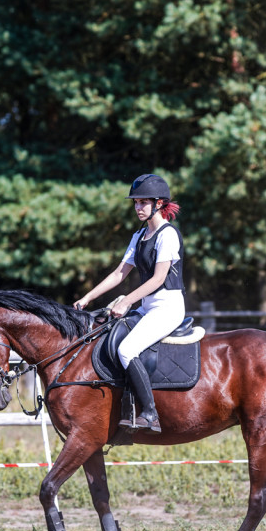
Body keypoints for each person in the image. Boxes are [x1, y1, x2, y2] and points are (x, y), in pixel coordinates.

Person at [73, 174, 185, 433]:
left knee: (126, 349)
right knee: (106, 332)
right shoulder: (139, 235)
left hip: (168, 307)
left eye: (143, 202)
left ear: (159, 203)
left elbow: (159, 278)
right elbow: (119, 273)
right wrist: (87, 298)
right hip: (147, 306)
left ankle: (150, 414)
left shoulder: (168, 235)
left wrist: (126, 300)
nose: (138, 208)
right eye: (135, 203)